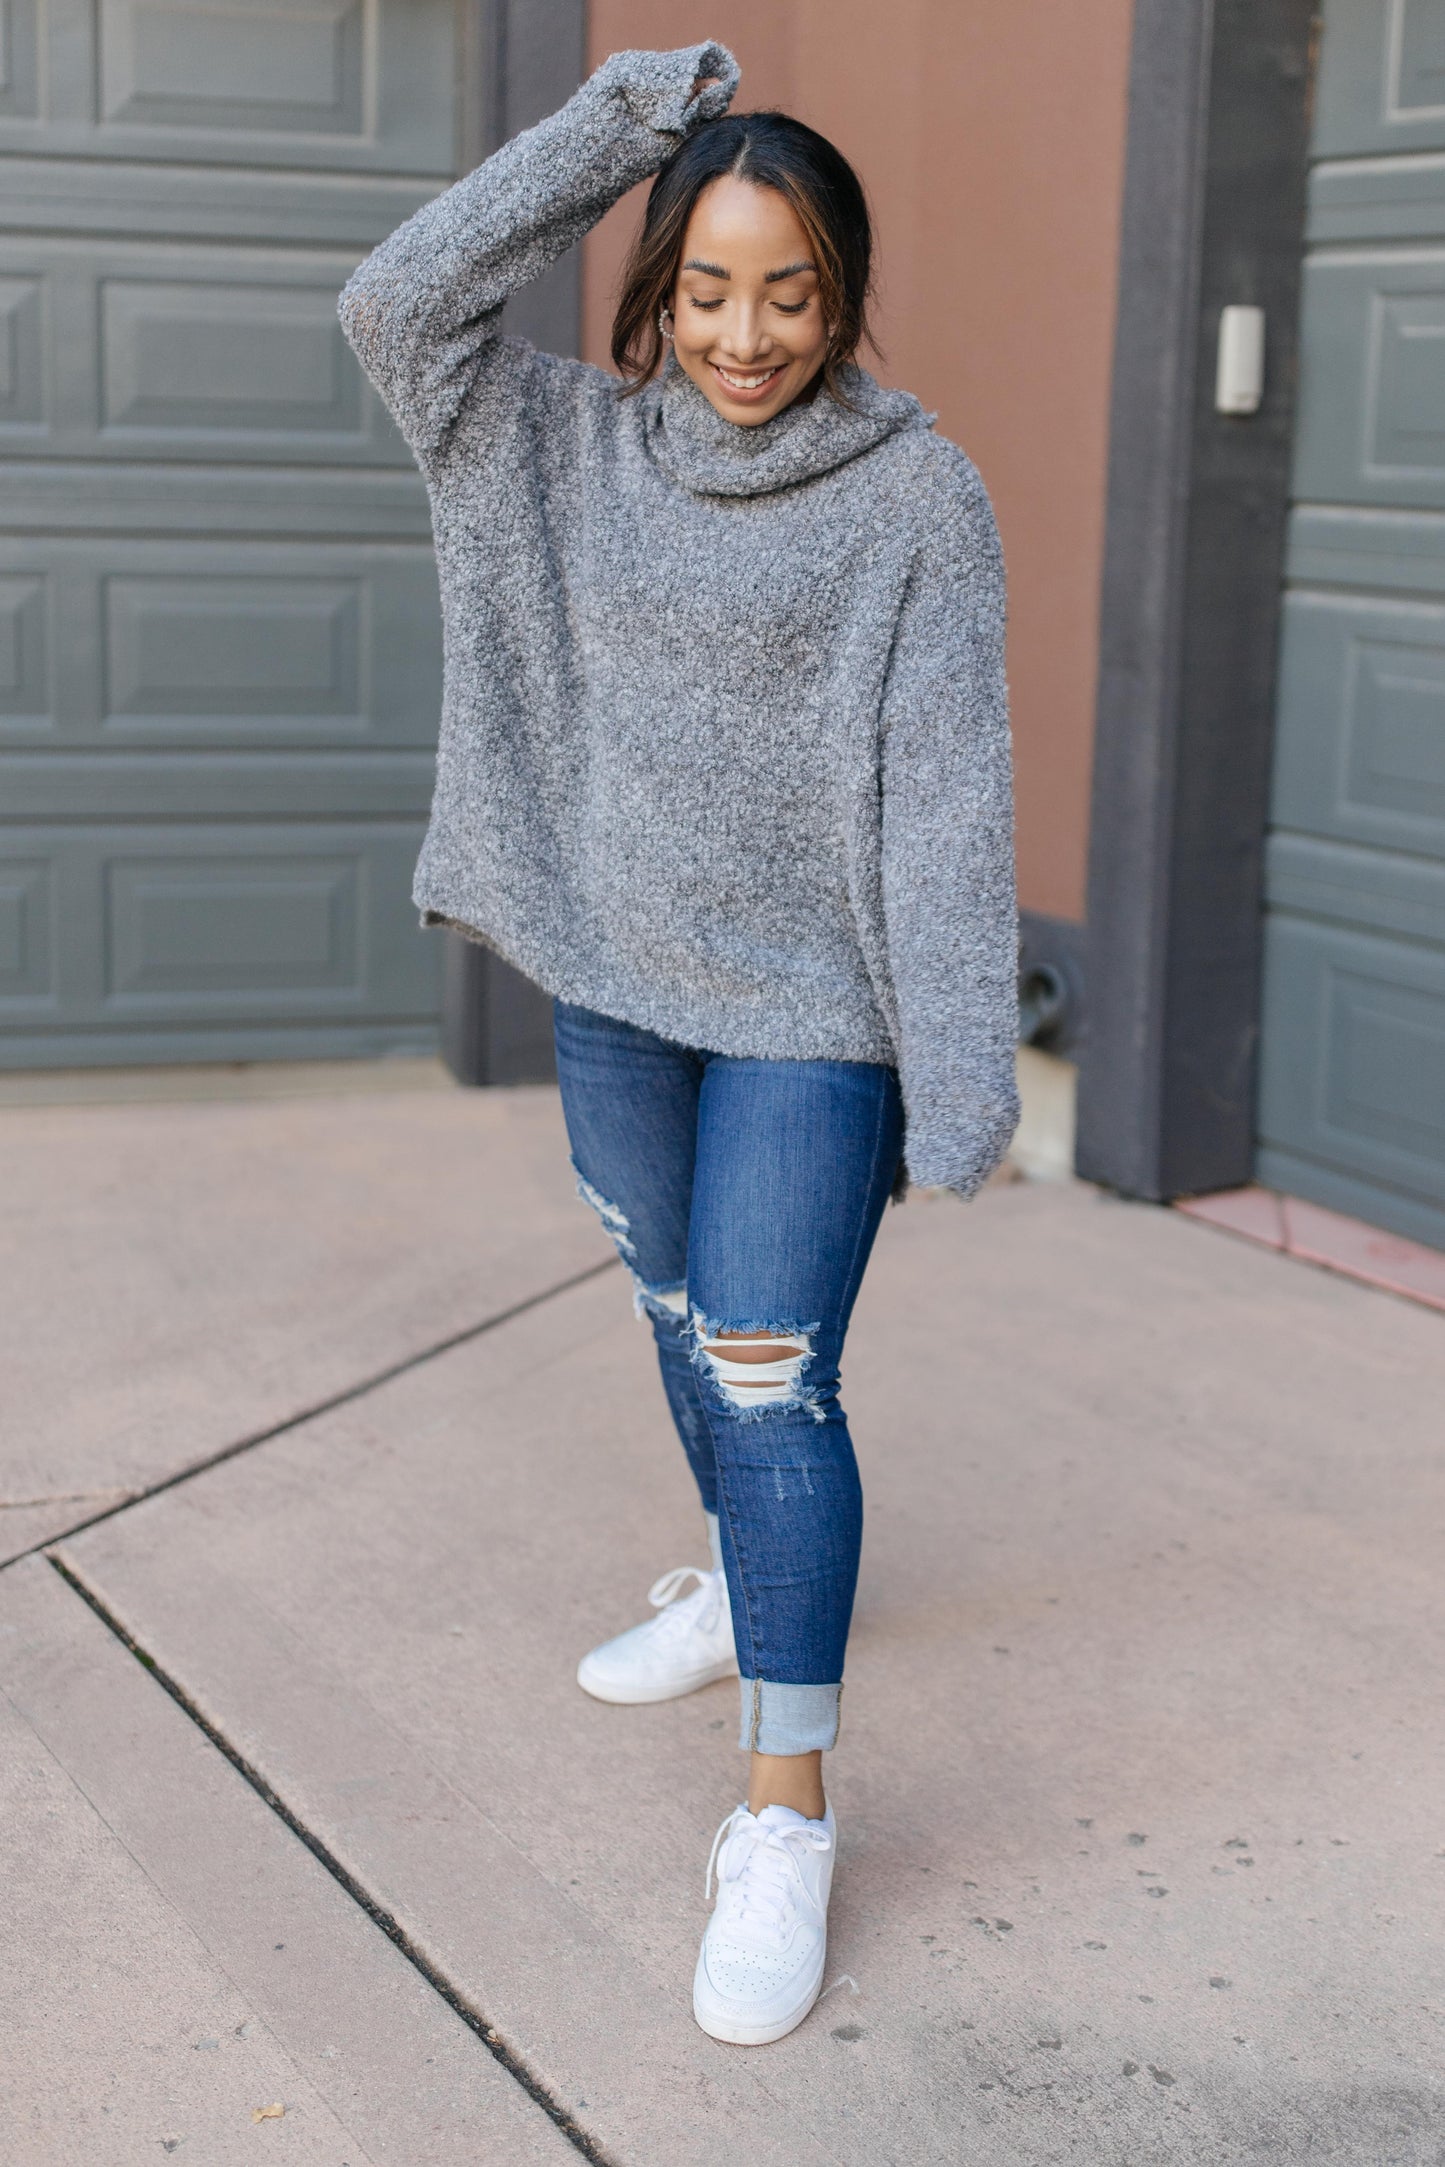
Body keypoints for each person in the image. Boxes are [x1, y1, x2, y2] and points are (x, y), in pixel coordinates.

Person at [339, 40, 1017, 2047]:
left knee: (766, 1364)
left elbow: (948, 790)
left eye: (791, 290)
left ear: (843, 295)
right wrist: (624, 126)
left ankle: (786, 1810)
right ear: (651, 291)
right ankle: (735, 1584)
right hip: (620, 980)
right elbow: (394, 299)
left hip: (816, 1013)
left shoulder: (916, 496)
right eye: (708, 286)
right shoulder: (540, 438)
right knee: (668, 1304)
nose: (747, 332)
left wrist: (960, 1060)